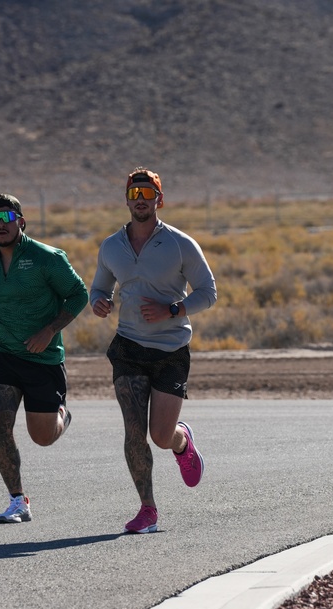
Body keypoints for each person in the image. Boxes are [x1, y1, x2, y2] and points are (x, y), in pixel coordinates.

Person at [89, 168, 217, 534]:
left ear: (159, 200)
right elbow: (98, 288)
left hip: (170, 350)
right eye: (135, 194)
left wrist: (173, 310)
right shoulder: (112, 246)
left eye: (148, 194)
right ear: (127, 199)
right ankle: (148, 509)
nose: (140, 200)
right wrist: (99, 302)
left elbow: (208, 292)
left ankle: (181, 441)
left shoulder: (180, 244)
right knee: (133, 431)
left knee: (159, 436)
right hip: (128, 346)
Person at [0, 193, 88, 524]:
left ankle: (61, 415)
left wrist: (50, 330)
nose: (0, 225)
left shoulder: (46, 258)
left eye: (6, 218)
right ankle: (17, 500)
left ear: (20, 222)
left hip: (43, 359)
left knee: (42, 437)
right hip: (2, 355)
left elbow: (79, 294)